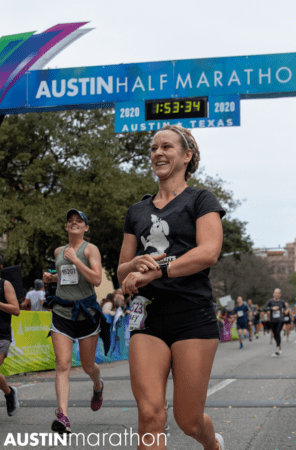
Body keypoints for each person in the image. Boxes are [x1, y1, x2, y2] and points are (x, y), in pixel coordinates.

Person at [117, 124, 225, 450]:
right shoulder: (136, 211)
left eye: (166, 147)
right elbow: (121, 266)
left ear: (187, 155)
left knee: (188, 420)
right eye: (153, 148)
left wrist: (158, 271)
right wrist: (133, 268)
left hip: (192, 313)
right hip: (147, 315)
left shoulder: (201, 200)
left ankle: (213, 444)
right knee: (149, 414)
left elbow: (209, 253)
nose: (158, 153)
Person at [43, 209, 110, 434]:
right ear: (66, 227)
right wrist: (53, 278)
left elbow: (97, 279)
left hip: (87, 313)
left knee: (88, 365)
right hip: (62, 312)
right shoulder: (59, 251)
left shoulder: (90, 249)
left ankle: (98, 386)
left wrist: (76, 260)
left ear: (85, 228)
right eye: (70, 221)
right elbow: (68, 276)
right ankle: (63, 416)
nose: (74, 223)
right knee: (62, 364)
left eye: (78, 221)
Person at [0, 256, 21, 416]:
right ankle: (9, 393)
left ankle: (9, 394)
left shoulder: (5, 285)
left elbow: (16, 309)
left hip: (1, 335)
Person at [264, 289, 286, 356]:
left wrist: (284, 310)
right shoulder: (270, 301)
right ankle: (279, 345)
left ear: (280, 294)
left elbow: (285, 308)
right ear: (273, 294)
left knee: (278, 332)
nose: (276, 294)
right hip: (272, 320)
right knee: (274, 334)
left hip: (280, 320)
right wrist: (272, 309)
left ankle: (277, 347)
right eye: (275, 293)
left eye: (278, 293)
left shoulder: (282, 302)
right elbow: (265, 308)